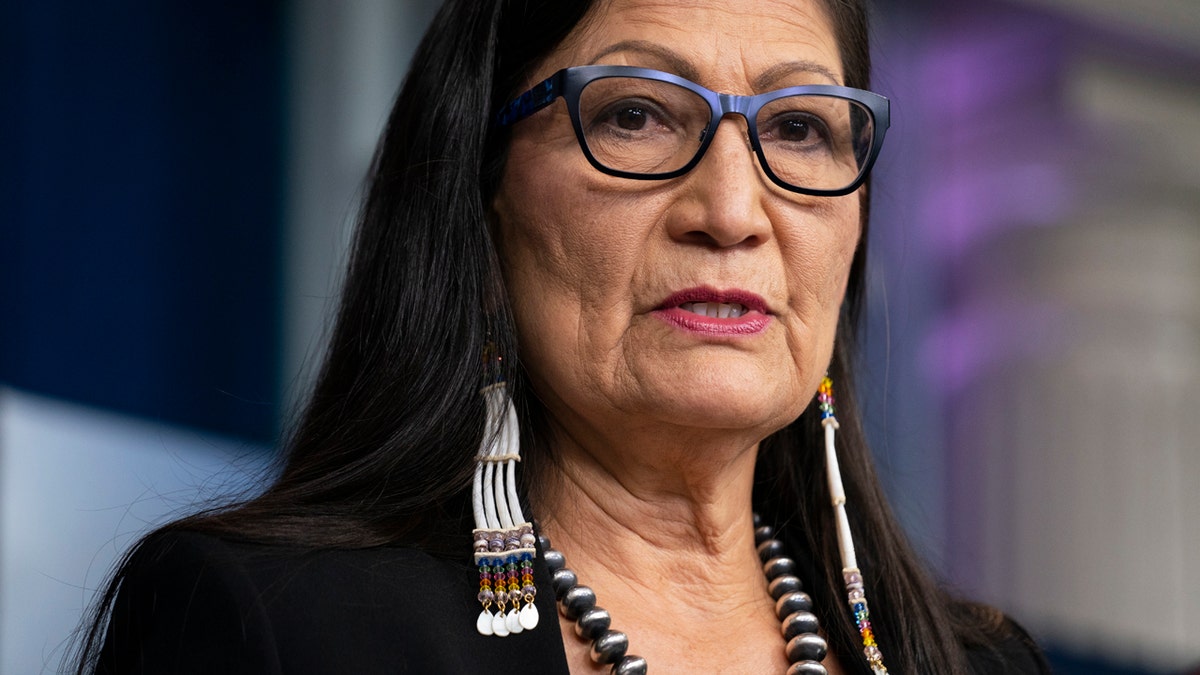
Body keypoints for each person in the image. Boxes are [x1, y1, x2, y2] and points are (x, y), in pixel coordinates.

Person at [73, 0, 1051, 673]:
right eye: (635, 115)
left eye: (798, 130)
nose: (732, 209)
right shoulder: (279, 626)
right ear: (485, 194)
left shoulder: (978, 665)